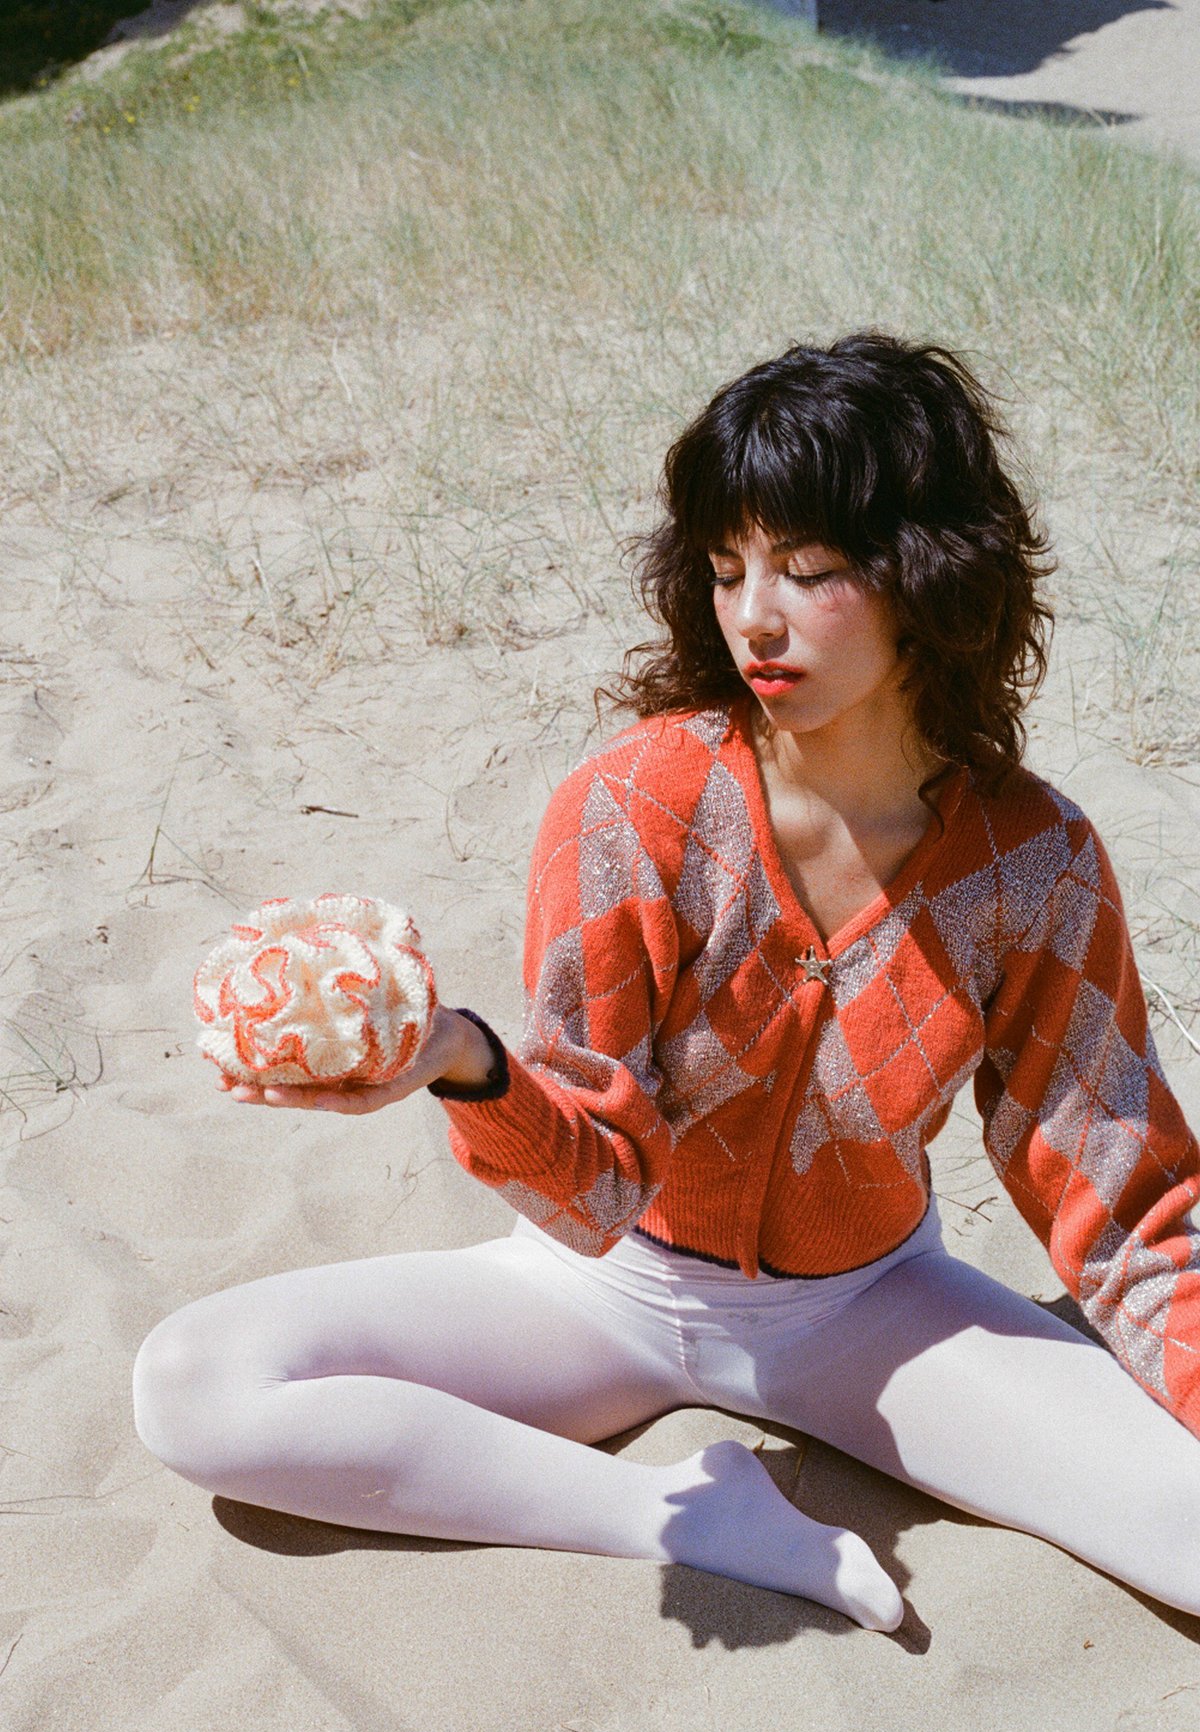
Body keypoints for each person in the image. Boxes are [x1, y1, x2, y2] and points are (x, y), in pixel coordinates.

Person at [132, 333, 1200, 1634]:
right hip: (604, 1290)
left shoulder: (1034, 860)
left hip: (872, 1308)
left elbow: (1128, 1200)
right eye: (725, 567)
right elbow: (594, 1188)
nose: (753, 613)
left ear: (930, 576)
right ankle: (688, 1513)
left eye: (807, 569)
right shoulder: (634, 809)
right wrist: (470, 1062)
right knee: (195, 1384)